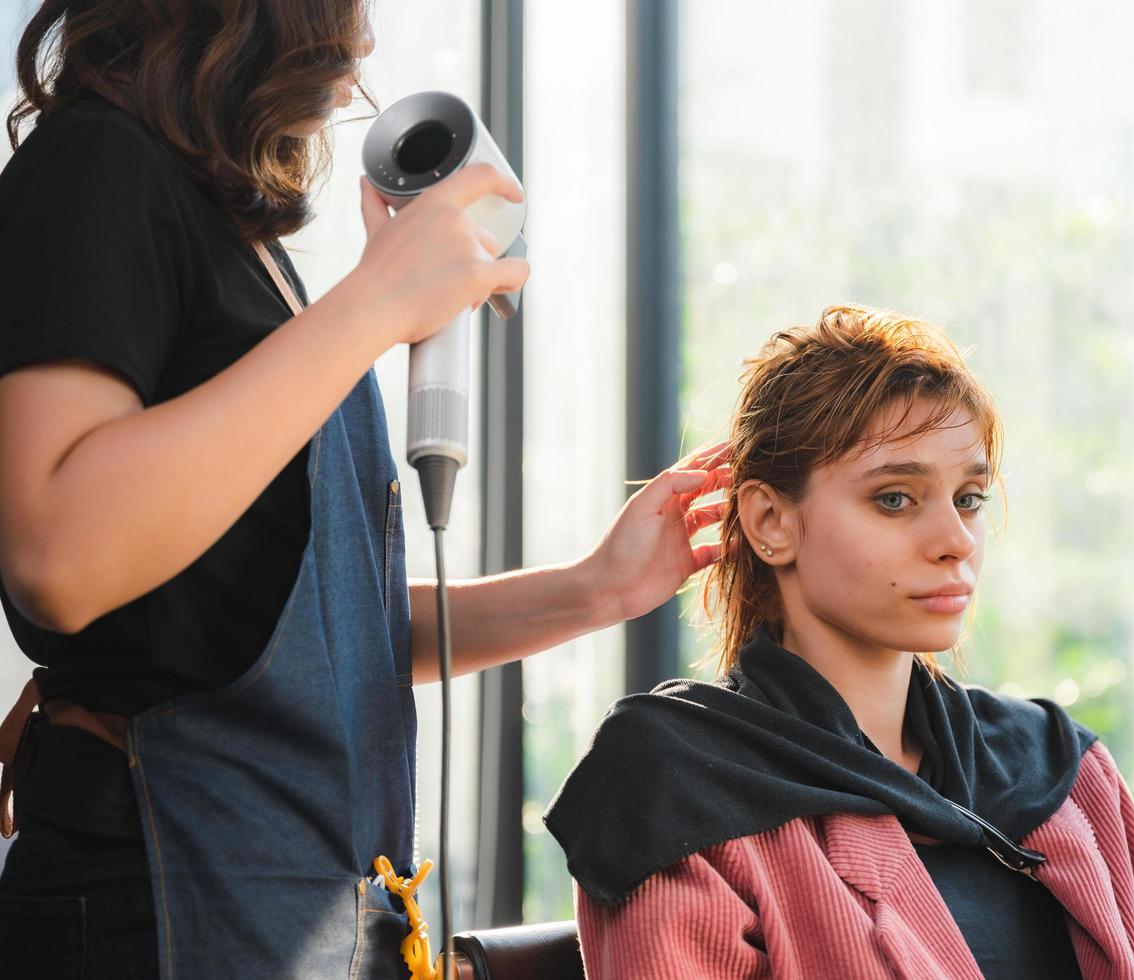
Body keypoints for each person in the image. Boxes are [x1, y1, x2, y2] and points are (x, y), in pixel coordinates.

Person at [0, 2, 728, 977]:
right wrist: (377, 300)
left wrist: (598, 587)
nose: (367, 43)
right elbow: (60, 554)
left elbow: (322, 639)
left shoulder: (239, 249)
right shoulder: (94, 168)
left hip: (305, 903)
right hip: (161, 898)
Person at [546, 305, 1134, 979]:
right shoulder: (676, 782)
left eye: (969, 498)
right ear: (770, 521)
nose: (955, 542)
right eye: (895, 499)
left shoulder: (1054, 766)